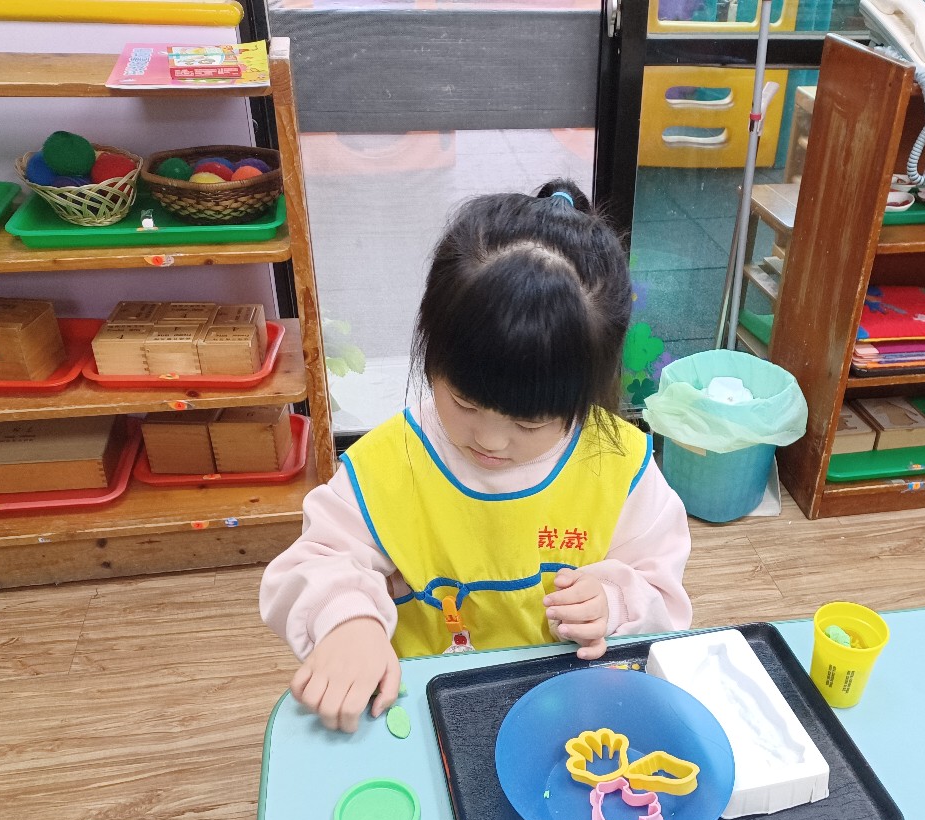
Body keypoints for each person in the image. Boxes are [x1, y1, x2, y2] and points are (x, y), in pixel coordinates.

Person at [260, 179, 693, 732]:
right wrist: (348, 624)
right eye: (464, 403)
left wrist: (615, 601)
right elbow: (314, 561)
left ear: (587, 392)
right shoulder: (390, 463)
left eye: (529, 422)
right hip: (422, 709)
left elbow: (664, 594)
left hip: (564, 712)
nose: (490, 441)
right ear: (431, 356)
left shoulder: (619, 466)